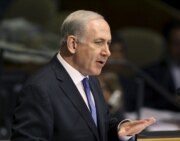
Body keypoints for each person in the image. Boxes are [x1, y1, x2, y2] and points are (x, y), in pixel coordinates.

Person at [11, 10, 155, 141]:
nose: (107, 52)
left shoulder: (91, 79)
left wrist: (120, 129)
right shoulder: (40, 88)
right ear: (73, 44)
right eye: (99, 42)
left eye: (108, 44)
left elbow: (98, 127)